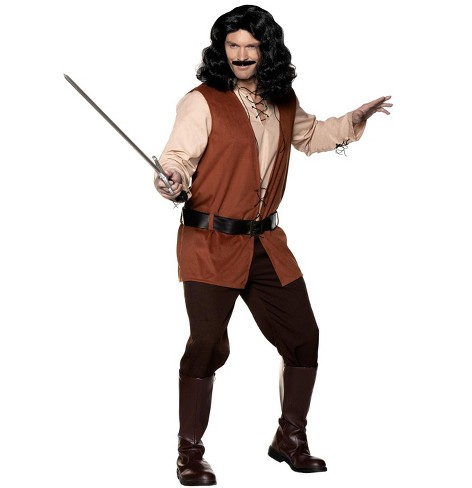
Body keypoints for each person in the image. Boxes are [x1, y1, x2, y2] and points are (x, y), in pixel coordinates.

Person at [154, 5, 392, 486]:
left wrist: (354, 119)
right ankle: (189, 452)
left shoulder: (282, 99)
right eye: (233, 45)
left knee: (303, 336)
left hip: (265, 241)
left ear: (267, 51)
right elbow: (177, 157)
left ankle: (290, 438)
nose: (241, 55)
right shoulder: (201, 102)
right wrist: (172, 177)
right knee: (207, 345)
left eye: (251, 46)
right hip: (209, 242)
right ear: (221, 49)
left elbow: (312, 135)